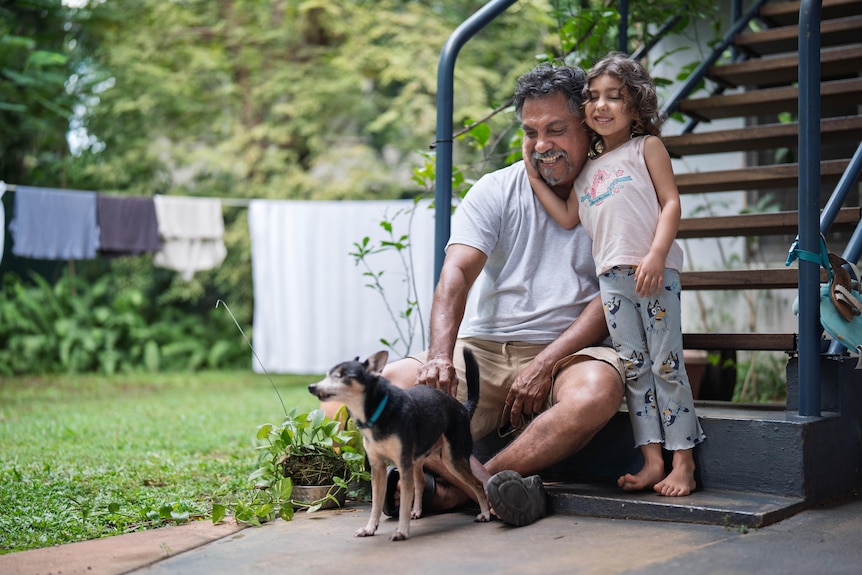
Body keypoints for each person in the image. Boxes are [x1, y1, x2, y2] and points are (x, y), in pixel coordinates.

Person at [377, 63, 626, 526]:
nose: (542, 145)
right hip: (484, 350)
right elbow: (456, 272)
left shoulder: (614, 189)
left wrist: (546, 361)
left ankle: (460, 491)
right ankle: (492, 493)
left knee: (597, 392)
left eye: (556, 129)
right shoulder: (496, 188)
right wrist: (438, 355)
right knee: (391, 386)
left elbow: (611, 297)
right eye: (531, 132)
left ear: (587, 126)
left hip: (572, 353)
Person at [528, 53, 705, 497]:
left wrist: (656, 255)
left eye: (614, 97)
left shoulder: (648, 148)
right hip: (611, 281)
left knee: (666, 366)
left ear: (637, 105)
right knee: (634, 369)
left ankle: (683, 463)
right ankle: (651, 461)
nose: (601, 105)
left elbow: (671, 204)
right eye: (592, 97)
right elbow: (569, 216)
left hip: (653, 272)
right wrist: (534, 173)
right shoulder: (587, 170)